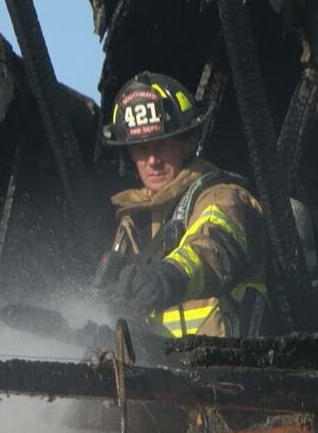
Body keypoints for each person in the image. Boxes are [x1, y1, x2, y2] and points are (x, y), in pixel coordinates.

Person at [100, 71, 272, 339]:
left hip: (230, 367)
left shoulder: (220, 196)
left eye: (162, 144)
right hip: (163, 368)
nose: (152, 160)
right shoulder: (133, 221)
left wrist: (168, 276)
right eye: (142, 148)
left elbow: (213, 250)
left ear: (189, 141)